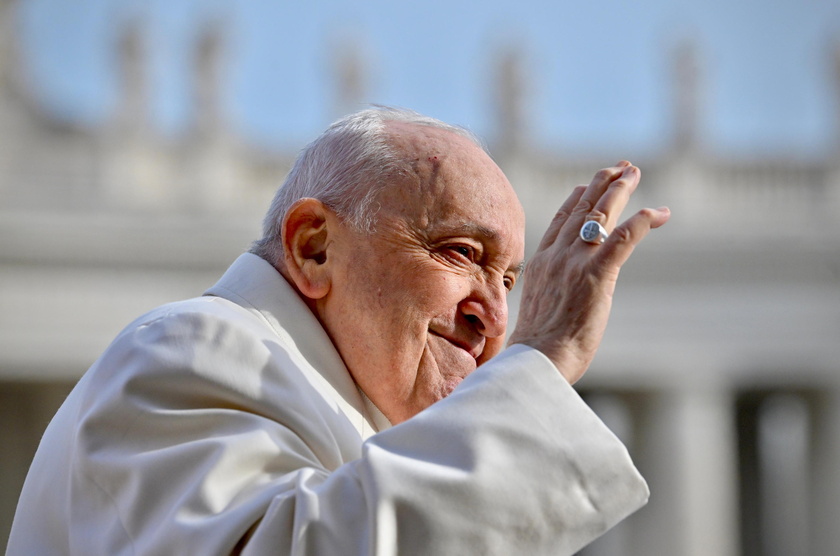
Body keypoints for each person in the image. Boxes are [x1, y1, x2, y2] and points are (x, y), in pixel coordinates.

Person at [8, 107, 670, 555]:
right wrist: (545, 356)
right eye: (462, 254)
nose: (494, 317)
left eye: (509, 282)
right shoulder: (191, 346)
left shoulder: (361, 424)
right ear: (315, 247)